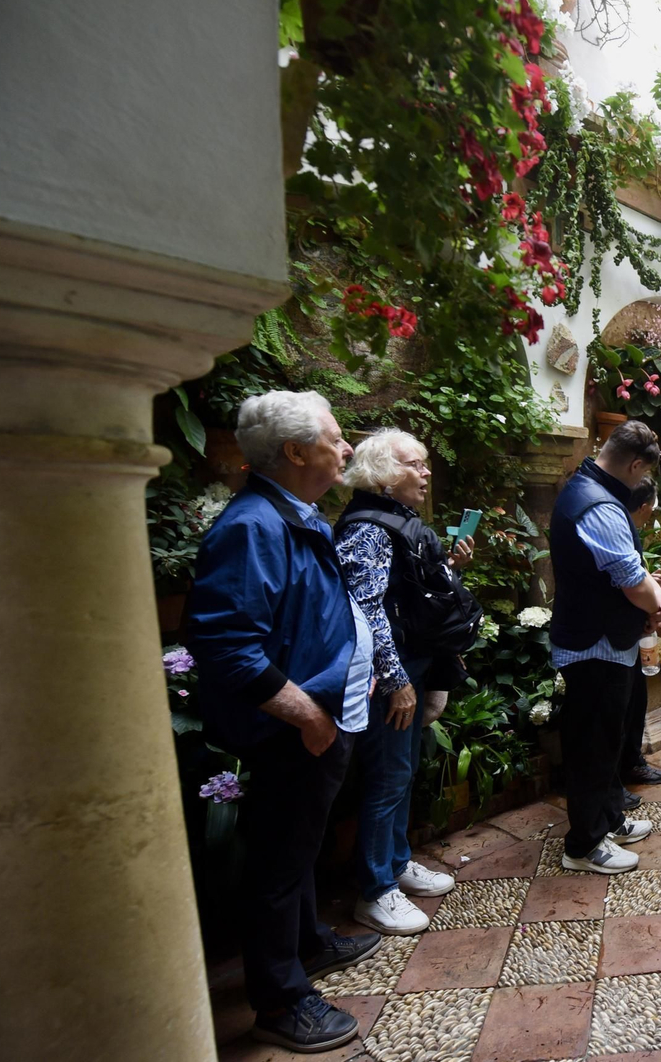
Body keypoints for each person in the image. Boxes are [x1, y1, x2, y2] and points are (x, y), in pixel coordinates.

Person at [185, 391, 380, 1053]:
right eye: (334, 437)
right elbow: (226, 643)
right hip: (295, 729)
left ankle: (308, 945)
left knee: (299, 847)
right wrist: (307, 715)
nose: (347, 447)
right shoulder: (253, 527)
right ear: (296, 452)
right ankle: (280, 999)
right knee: (277, 859)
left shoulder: (295, 513)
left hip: (323, 719)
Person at [334, 429, 477, 935]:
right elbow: (366, 611)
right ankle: (375, 890)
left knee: (402, 771)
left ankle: (394, 864)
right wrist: (395, 680)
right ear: (385, 476)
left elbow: (407, 591)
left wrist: (452, 565)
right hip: (389, 675)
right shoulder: (368, 527)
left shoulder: (393, 520)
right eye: (416, 465)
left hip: (410, 666)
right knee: (387, 776)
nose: (426, 472)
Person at [548, 423, 661, 874]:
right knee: (592, 744)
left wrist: (647, 598)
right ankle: (584, 845)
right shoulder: (597, 504)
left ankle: (608, 817)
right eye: (641, 476)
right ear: (635, 465)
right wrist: (655, 603)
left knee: (607, 736)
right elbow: (630, 579)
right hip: (592, 646)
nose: (640, 485)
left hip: (605, 643)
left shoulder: (590, 490)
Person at [619, 477, 661, 808]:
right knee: (618, 711)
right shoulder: (617, 527)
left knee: (635, 701)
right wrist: (656, 610)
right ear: (646, 507)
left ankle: (632, 763)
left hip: (633, 637)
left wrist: (652, 581)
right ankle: (614, 782)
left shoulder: (628, 529)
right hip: (614, 639)